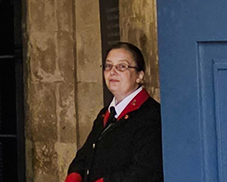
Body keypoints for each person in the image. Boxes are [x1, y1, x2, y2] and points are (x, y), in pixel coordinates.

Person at [65, 42, 163, 182]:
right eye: (108, 66)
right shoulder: (106, 113)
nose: (112, 72)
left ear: (139, 75)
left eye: (122, 66)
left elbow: (144, 172)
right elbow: (86, 154)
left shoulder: (151, 115)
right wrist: (74, 176)